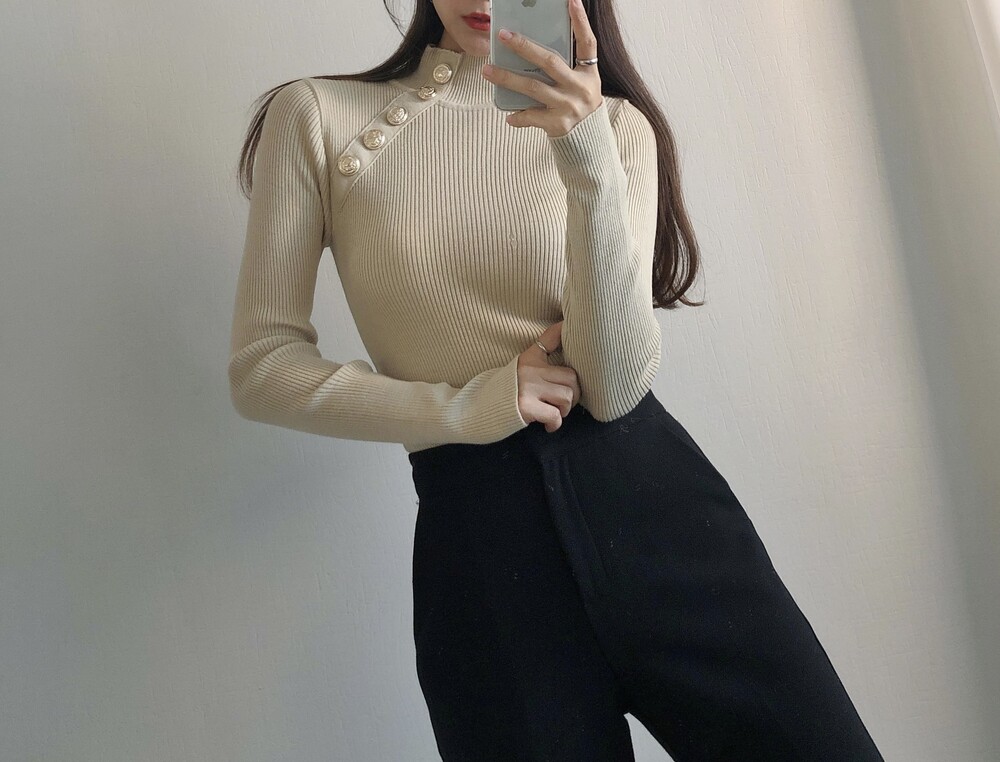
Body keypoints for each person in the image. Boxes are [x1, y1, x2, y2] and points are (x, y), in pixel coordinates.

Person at [228, 0, 885, 758]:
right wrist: (469, 407)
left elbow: (612, 384)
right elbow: (263, 368)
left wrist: (585, 151)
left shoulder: (617, 128)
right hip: (481, 554)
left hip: (659, 513)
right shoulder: (318, 117)